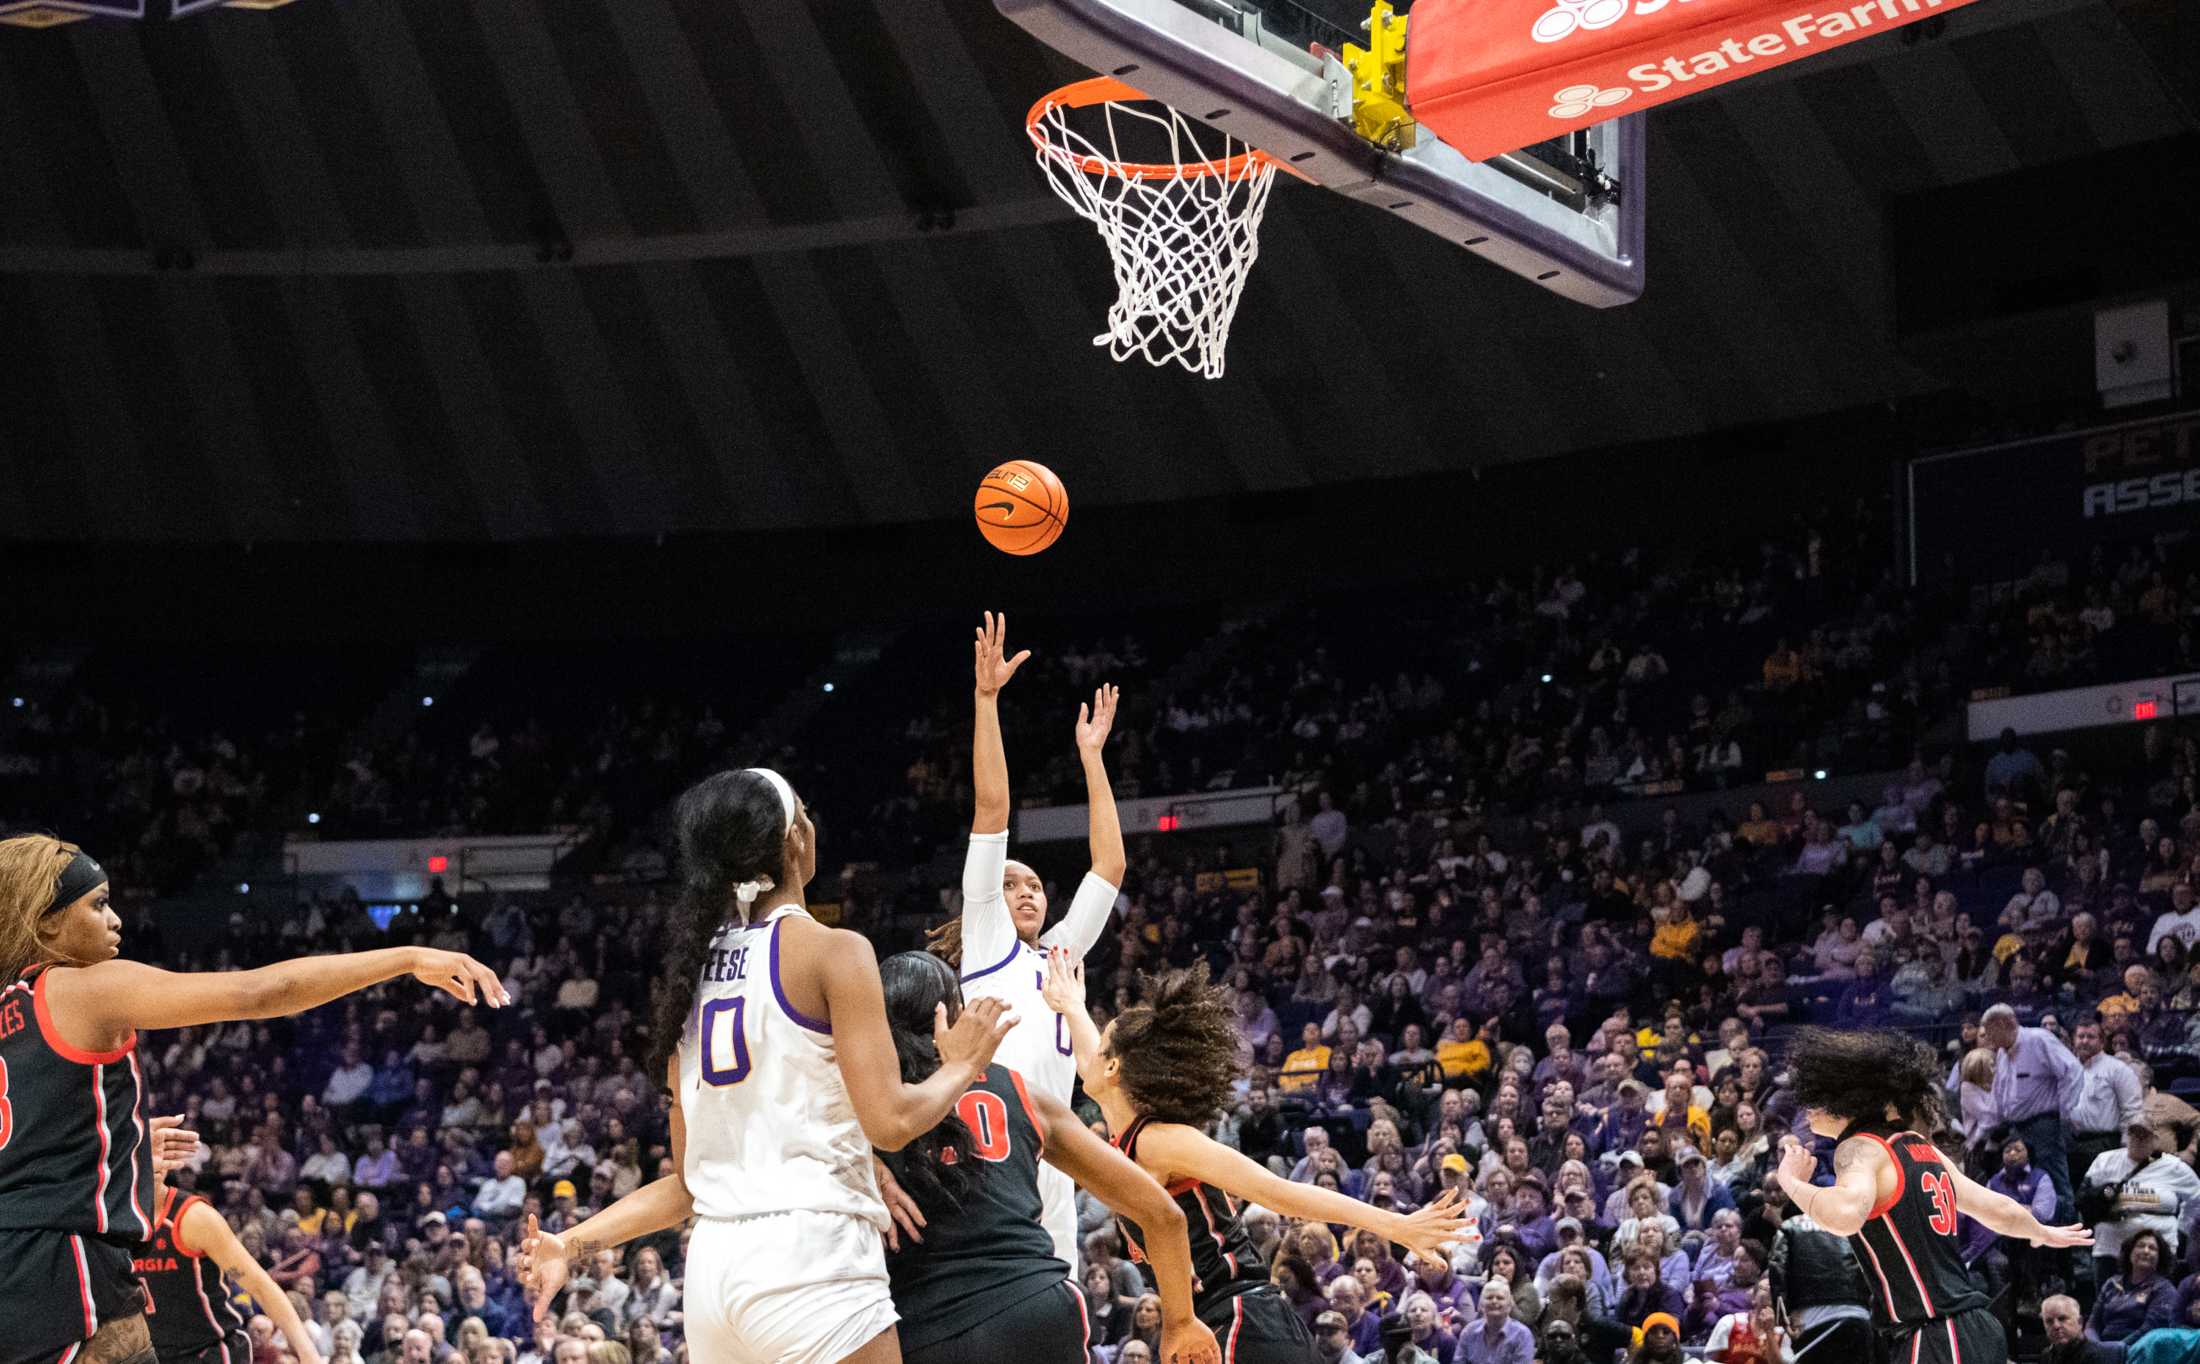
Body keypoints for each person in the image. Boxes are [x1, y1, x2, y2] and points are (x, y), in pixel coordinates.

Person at [514, 767, 1018, 1364]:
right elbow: (891, 1121)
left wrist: (570, 1243)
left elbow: (688, 1184)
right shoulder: (836, 950)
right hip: (812, 1257)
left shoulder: (687, 981)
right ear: (792, 839)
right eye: (803, 812)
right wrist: (961, 1064)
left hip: (712, 1272)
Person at [0, 835, 505, 1364]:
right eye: (98, 904)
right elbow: (259, 992)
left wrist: (115, 1157)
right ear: (47, 922)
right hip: (65, 1273)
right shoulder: (80, 989)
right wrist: (407, 956)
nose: (117, 920)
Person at [1045, 951, 1472, 1364]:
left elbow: (1280, 1193)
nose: (1088, 1060)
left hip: (1239, 1319)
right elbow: (1089, 1060)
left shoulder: (1162, 1141)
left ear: (1114, 1067)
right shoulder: (1123, 1127)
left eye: (1101, 1047)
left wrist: (1397, 1225)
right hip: (1221, 1321)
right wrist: (1069, 1004)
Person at [871, 951, 1219, 1364]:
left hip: (928, 1326)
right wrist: (1179, 1322)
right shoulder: (1020, 1092)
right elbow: (1165, 1215)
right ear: (959, 1015)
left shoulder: (852, 1106)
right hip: (1037, 1309)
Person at [930, 613, 1129, 1271]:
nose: (1025, 892)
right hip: (992, 1147)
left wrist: (1093, 761)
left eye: (1036, 885)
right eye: (1012, 882)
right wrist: (986, 702)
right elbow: (993, 811)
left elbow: (1109, 869)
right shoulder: (987, 941)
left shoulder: (1060, 957)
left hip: (1054, 1152)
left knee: (1061, 1315)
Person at [1774, 1027, 2091, 1364]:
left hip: (1938, 1331)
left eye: (1817, 1094)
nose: (1806, 1106)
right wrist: (2040, 1231)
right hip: (1973, 1326)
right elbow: (1996, 1208)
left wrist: (1790, 1181)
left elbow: (1846, 1214)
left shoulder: (1860, 1148)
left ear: (1847, 1098)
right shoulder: (1922, 1149)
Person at [136, 1182, 325, 1364]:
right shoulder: (111, 1222)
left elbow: (259, 1286)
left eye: (159, 1150)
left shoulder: (193, 1217)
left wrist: (307, 1352)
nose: (154, 1160)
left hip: (207, 1352)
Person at [1768, 1208, 1871, 1364]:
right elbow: (1872, 1268)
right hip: (1860, 1318)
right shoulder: (1852, 1227)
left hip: (1813, 1321)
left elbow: (1777, 1269)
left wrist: (1783, 1318)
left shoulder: (1790, 1226)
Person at [2085, 1229, 2178, 1344]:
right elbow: (2093, 1323)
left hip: (2138, 1350)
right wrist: (2094, 1345)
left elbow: (2150, 1329)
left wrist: (2117, 1348)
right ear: (2130, 1251)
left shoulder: (2164, 1289)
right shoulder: (2111, 1283)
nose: (2146, 1251)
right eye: (2140, 1246)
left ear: (2160, 1257)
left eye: (2152, 1248)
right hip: (2103, 1348)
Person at [2040, 1296, 2121, 1364]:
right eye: (2049, 1321)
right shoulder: (2046, 1355)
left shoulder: (2097, 1356)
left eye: (2062, 1319)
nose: (2056, 1326)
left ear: (2080, 1322)